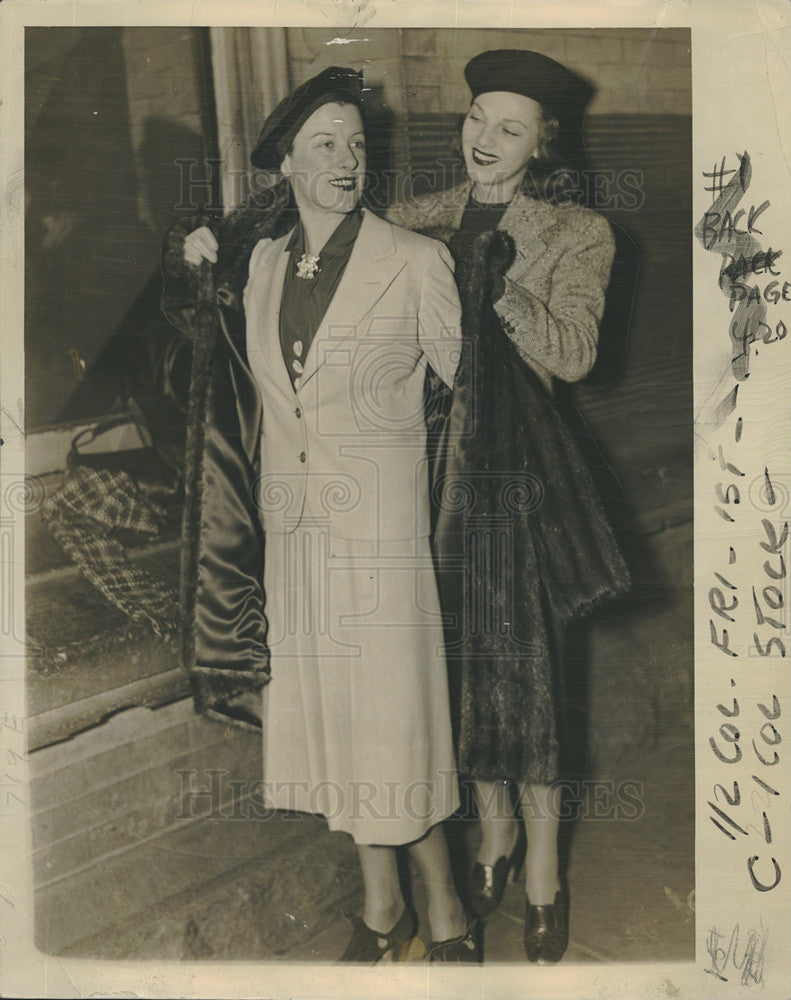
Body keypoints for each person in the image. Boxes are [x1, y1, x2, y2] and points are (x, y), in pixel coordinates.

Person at [166, 66, 480, 963]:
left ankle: (448, 910)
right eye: (325, 145)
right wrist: (188, 262)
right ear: (288, 166)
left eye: (356, 142)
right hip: (294, 537)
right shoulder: (259, 264)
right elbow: (213, 372)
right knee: (340, 729)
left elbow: (479, 405)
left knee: (396, 726)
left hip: (384, 547)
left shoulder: (418, 262)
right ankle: (384, 912)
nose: (348, 160)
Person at [386, 49, 631, 963]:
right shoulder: (417, 218)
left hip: (516, 482)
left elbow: (573, 355)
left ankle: (543, 876)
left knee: (523, 679)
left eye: (509, 128)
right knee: (454, 672)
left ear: (543, 142)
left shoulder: (577, 229)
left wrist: (500, 282)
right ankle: (493, 837)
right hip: (424, 477)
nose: (483, 140)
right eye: (476, 117)